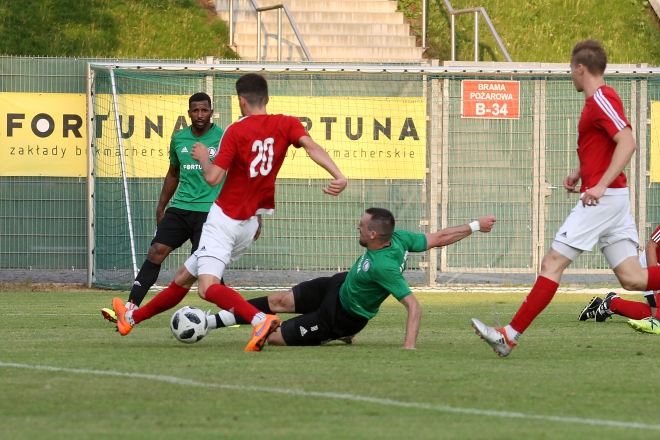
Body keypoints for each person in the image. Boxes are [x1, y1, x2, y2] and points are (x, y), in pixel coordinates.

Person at [110, 73, 348, 352]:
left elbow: (212, 178)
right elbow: (311, 147)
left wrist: (202, 158)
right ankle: (131, 318)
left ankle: (259, 320)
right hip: (248, 224)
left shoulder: (236, 131)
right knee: (183, 278)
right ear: (267, 98)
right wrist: (338, 175)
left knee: (206, 287)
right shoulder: (287, 123)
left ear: (241, 101)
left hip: (224, 219)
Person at [471, 39, 660, 358]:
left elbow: (627, 142)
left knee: (552, 263)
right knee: (633, 278)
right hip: (612, 199)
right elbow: (606, 147)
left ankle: (509, 335)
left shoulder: (601, 98)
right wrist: (580, 173)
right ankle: (509, 336)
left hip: (604, 200)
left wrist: (597, 184)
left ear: (580, 68)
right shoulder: (597, 101)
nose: (571, 75)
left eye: (571, 69)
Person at [205, 208, 496, 349]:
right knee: (277, 300)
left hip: (344, 315)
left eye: (361, 225)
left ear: (372, 234)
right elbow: (441, 236)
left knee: (275, 338)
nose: (357, 227)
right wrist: (475, 225)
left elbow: (414, 306)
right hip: (340, 284)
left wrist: (409, 348)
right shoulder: (401, 237)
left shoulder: (384, 267)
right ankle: (208, 322)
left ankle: (335, 333)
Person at [101, 92, 225, 324]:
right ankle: (130, 307)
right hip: (180, 208)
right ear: (188, 112)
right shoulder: (179, 139)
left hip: (210, 211)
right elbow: (173, 173)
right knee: (156, 251)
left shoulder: (222, 138)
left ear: (211, 112)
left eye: (204, 110)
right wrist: (161, 206)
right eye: (195, 110)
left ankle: (232, 312)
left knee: (205, 264)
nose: (200, 115)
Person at [578, 224, 660, 330]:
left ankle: (609, 304)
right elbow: (650, 247)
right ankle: (613, 303)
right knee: (654, 317)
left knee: (653, 314)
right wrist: (655, 282)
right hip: (652, 261)